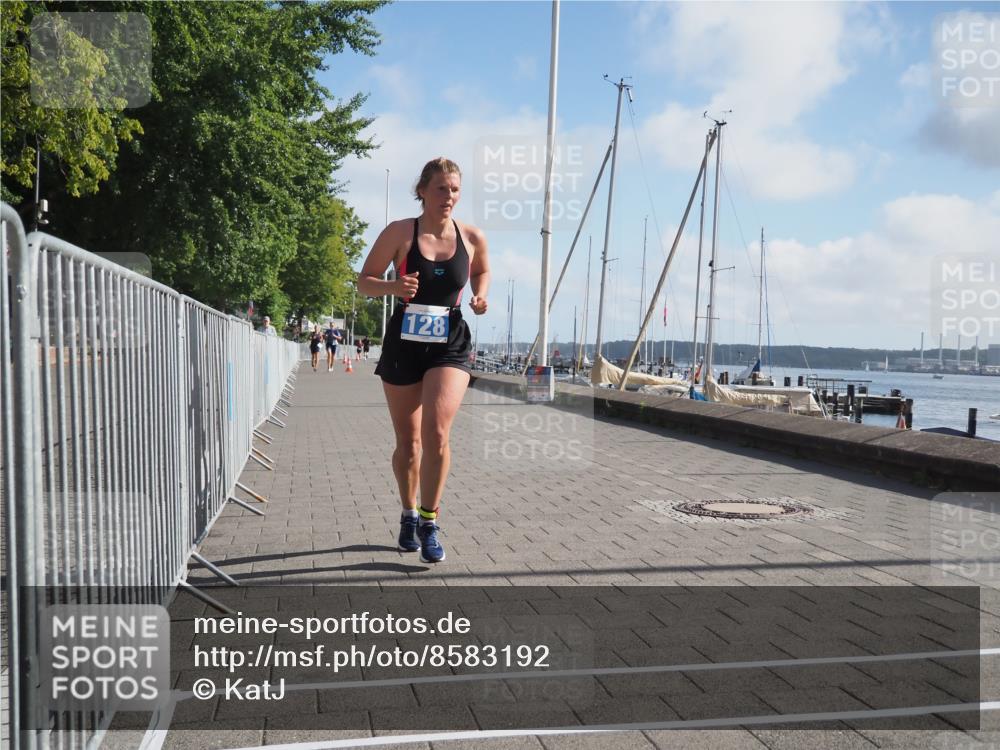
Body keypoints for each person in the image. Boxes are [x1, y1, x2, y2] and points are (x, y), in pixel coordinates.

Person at [357, 157, 490, 564]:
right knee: (409, 445)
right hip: (404, 341)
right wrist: (393, 285)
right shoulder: (400, 231)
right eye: (440, 189)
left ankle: (430, 521)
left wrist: (480, 297)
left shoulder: (470, 236)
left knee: (436, 433)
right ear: (422, 191)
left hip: (449, 339)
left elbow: (482, 270)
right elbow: (364, 282)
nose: (448, 196)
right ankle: (408, 513)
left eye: (454, 189)